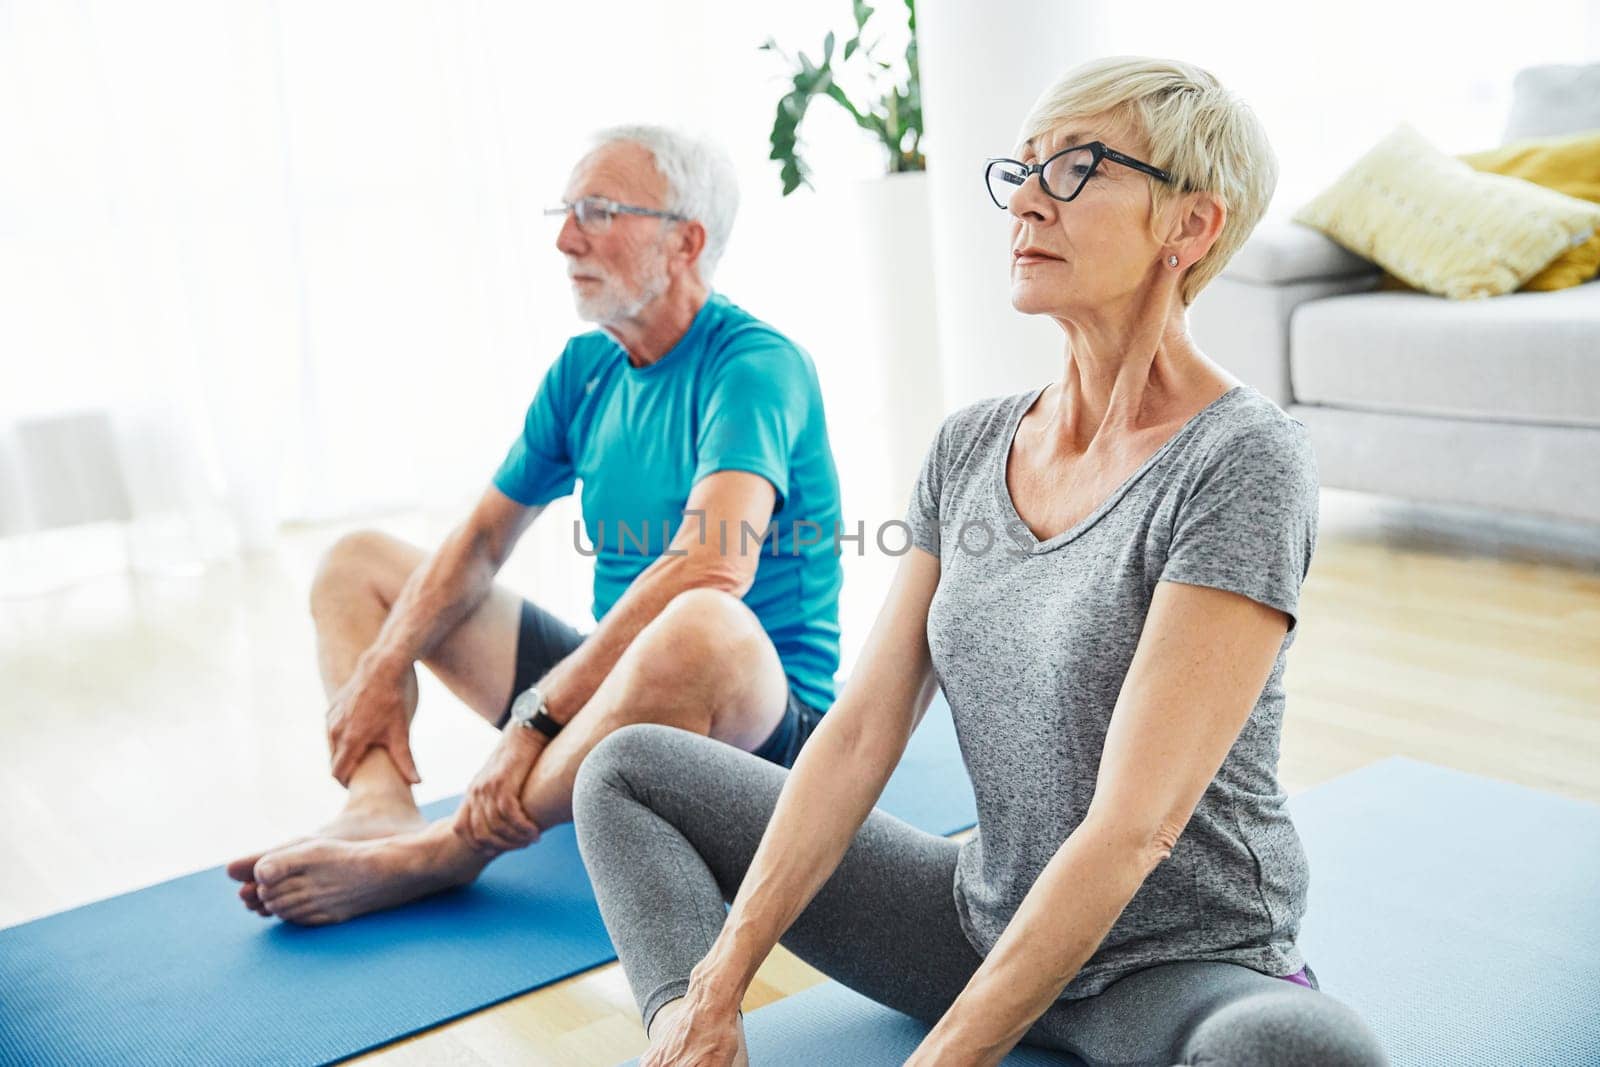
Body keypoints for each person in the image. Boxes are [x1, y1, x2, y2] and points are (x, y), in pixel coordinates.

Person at [571, 58, 1389, 1066]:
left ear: (1189, 226)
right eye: (1024, 169)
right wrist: (712, 991)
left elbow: (1135, 824)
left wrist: (941, 1058)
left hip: (1172, 965)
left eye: (1078, 169)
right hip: (977, 922)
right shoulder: (969, 447)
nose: (1026, 202)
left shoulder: (1240, 459)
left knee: (1300, 1050)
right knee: (627, 772)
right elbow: (861, 729)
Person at [225, 125, 843, 926]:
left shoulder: (756, 367)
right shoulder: (585, 371)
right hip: (608, 694)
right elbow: (482, 540)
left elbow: (710, 568)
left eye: (597, 211)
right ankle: (378, 806)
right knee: (356, 561)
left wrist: (536, 720)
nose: (563, 238)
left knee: (701, 621)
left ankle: (449, 850)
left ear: (685, 240)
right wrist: (383, 667)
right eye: (564, 210)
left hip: (761, 731)